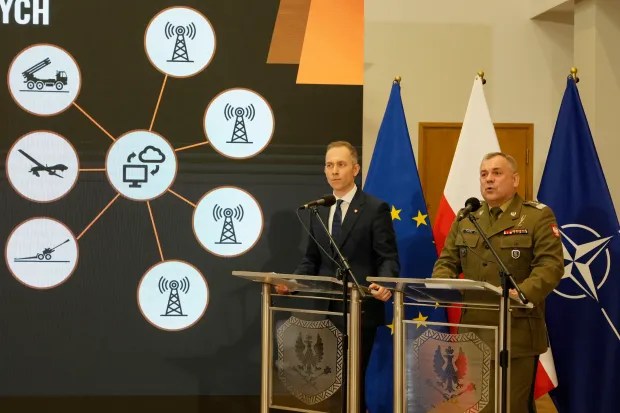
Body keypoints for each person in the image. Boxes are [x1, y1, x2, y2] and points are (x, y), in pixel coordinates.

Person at [432, 152, 564, 413]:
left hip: (516, 330)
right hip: (474, 331)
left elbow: (551, 266)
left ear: (515, 179)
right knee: (478, 406)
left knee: (511, 405)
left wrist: (522, 293)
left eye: (496, 173)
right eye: (484, 174)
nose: (488, 179)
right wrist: (440, 283)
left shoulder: (537, 216)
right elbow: (447, 262)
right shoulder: (468, 217)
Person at [277, 140, 399, 412]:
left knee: (353, 379)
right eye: (329, 165)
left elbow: (387, 257)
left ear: (355, 169)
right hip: (325, 310)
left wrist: (385, 282)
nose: (334, 171)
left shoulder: (374, 208)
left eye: (341, 164)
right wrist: (293, 283)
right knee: (330, 379)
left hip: (360, 309)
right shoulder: (318, 210)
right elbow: (311, 259)